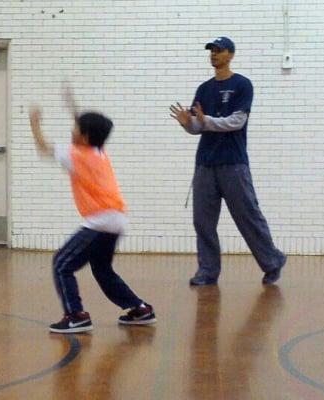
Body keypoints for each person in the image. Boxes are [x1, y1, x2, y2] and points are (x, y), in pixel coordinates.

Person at [29, 95, 156, 334]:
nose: (72, 129)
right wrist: (73, 110)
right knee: (102, 269)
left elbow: (43, 146)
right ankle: (140, 309)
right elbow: (91, 129)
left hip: (100, 221)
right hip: (117, 219)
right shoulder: (99, 151)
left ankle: (76, 315)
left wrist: (34, 122)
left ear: (85, 136)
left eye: (75, 127)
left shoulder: (74, 155)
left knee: (61, 264)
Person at [170, 36, 286, 286]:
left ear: (231, 55)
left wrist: (205, 120)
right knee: (202, 220)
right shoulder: (204, 89)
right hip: (205, 164)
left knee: (247, 215)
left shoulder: (242, 85)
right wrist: (187, 124)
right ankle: (207, 271)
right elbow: (198, 127)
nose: (214, 54)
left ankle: (272, 261)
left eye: (219, 50)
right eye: (211, 51)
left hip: (233, 163)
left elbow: (236, 122)